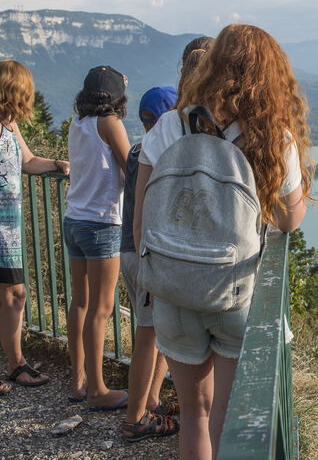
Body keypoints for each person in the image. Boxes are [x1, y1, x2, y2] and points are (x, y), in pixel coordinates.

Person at [133, 24, 313, 459]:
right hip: (236, 290)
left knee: (193, 413)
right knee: (229, 417)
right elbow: (289, 221)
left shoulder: (169, 126)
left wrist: (155, 277)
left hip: (173, 291)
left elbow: (142, 218)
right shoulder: (272, 136)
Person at [0, 59, 69, 395]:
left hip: (6, 229)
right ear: (15, 89)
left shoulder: (8, 124)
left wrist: (57, 164)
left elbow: (28, 161)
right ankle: (16, 364)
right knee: (15, 295)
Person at [63, 65, 131, 411]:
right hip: (102, 223)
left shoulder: (79, 123)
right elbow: (131, 165)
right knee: (102, 310)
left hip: (74, 219)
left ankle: (79, 382)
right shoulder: (110, 123)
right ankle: (98, 392)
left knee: (81, 303)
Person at [119, 86, 180, 441]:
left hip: (128, 250)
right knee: (147, 337)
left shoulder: (138, 150)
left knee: (156, 334)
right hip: (142, 253)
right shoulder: (160, 153)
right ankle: (134, 418)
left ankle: (152, 399)